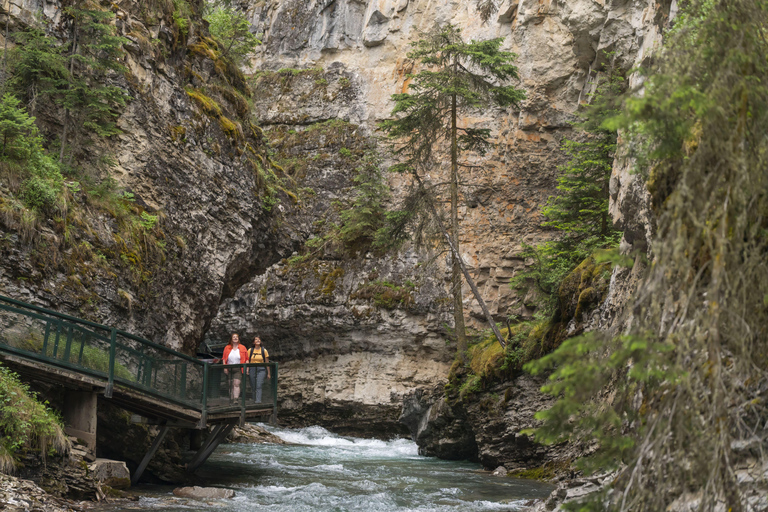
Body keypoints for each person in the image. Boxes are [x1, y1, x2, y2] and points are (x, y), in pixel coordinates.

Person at [222, 333, 248, 401]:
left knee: (236, 383)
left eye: (237, 337)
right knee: (230, 384)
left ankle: (236, 399)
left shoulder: (242, 347)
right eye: (234, 337)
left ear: (238, 339)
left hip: (238, 368)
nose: (235, 338)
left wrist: (247, 368)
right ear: (231, 339)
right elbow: (224, 358)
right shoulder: (227, 347)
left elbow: (246, 359)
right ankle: (231, 398)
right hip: (229, 367)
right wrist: (225, 367)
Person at [248, 336, 270, 403]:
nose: (258, 340)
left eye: (259, 339)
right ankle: (254, 399)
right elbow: (247, 361)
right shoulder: (250, 350)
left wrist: (269, 373)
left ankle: (258, 401)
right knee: (253, 384)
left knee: (259, 385)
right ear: (253, 342)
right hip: (252, 368)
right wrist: (247, 369)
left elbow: (267, 362)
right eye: (256, 339)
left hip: (261, 369)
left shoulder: (264, 350)